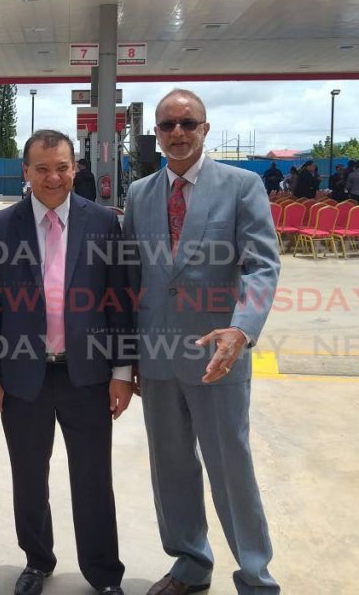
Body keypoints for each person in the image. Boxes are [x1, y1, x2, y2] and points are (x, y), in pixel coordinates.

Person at [123, 89, 281, 595]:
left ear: (205, 129)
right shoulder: (139, 193)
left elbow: (262, 265)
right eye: (167, 125)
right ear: (157, 134)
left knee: (230, 466)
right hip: (157, 354)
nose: (177, 133)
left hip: (220, 354)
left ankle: (255, 574)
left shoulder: (242, 186)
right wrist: (129, 357)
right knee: (170, 467)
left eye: (187, 123)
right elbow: (133, 276)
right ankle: (190, 561)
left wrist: (242, 328)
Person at [0, 129, 133, 595]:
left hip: (87, 376)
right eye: (41, 168)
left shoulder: (104, 222)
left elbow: (119, 299)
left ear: (75, 168)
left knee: (93, 480)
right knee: (29, 476)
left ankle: (104, 574)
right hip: (25, 376)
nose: (53, 177)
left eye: (61, 166)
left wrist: (122, 372)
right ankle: (37, 561)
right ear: (25, 172)